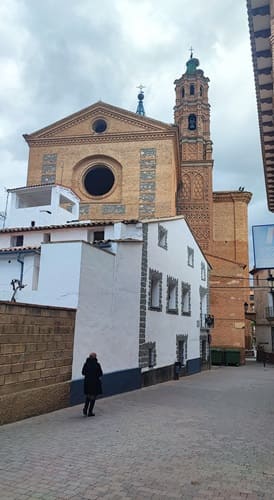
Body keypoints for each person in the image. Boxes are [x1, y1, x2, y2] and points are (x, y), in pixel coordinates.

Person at [82, 352, 103, 417]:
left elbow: (83, 372)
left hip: (87, 382)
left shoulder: (86, 364)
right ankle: (90, 412)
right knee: (93, 397)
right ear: (95, 357)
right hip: (95, 382)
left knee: (88, 396)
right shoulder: (97, 364)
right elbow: (100, 373)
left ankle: (85, 409)